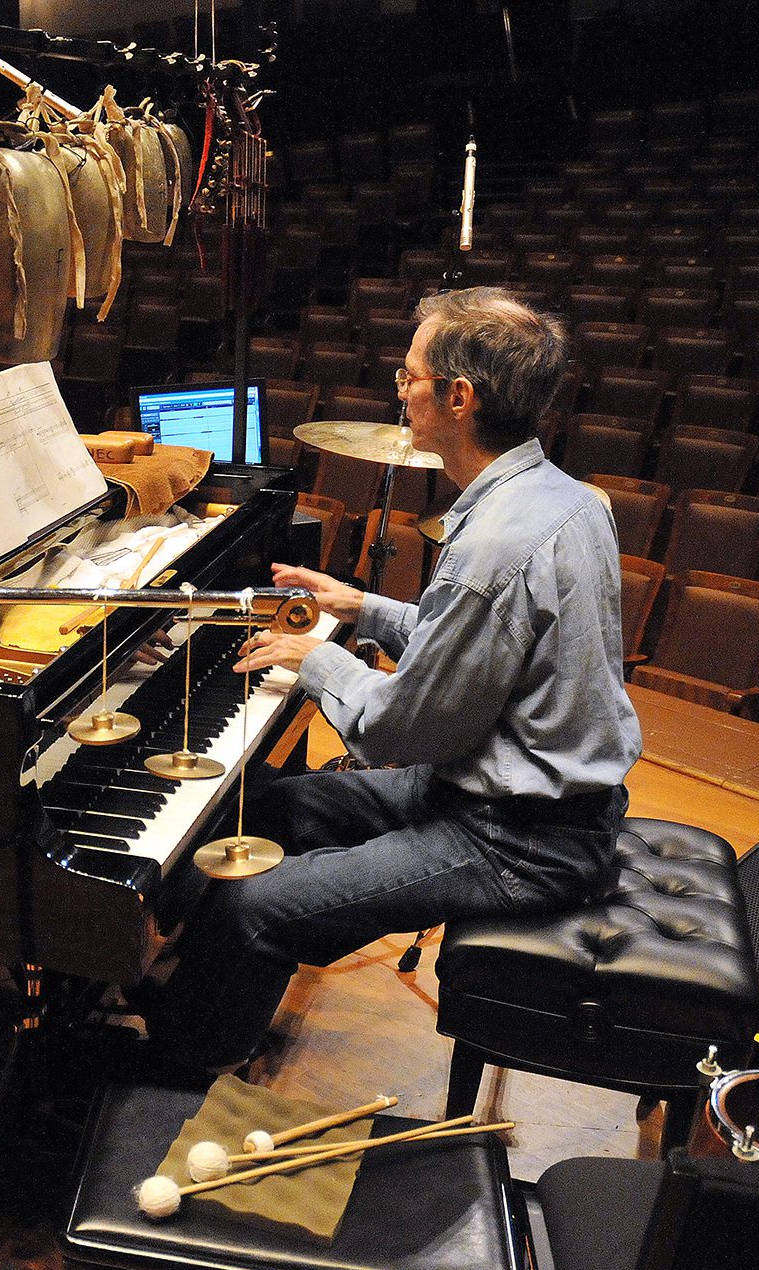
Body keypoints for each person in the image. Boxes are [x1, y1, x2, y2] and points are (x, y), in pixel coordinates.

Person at [146, 286, 642, 1074]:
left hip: (520, 840)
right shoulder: (568, 498)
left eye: (409, 376)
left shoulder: (495, 545)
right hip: (510, 798)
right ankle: (194, 985)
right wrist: (360, 607)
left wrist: (314, 658)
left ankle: (177, 1063)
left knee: (251, 903)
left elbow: (399, 729)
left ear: (459, 397)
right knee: (272, 805)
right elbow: (477, 651)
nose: (399, 391)